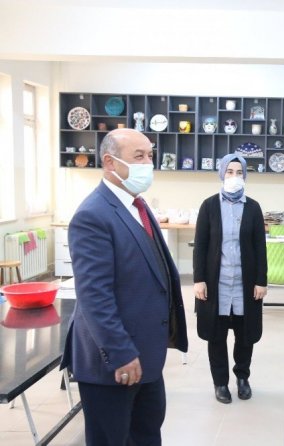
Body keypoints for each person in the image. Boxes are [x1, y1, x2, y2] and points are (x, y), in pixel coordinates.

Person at [60, 128, 188, 445]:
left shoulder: (137, 205)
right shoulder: (93, 215)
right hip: (115, 361)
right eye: (138, 157)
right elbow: (95, 296)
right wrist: (120, 353)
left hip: (145, 354)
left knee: (146, 433)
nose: (148, 164)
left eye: (150, 156)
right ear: (110, 162)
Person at [193, 154, 267, 404]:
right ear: (221, 174)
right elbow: (200, 246)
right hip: (216, 284)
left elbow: (260, 247)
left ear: (245, 176)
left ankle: (242, 378)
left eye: (239, 172)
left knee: (245, 336)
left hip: (245, 285)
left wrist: (261, 280)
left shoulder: (253, 207)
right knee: (216, 336)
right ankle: (220, 383)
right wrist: (199, 279)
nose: (234, 177)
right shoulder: (209, 206)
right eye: (229, 172)